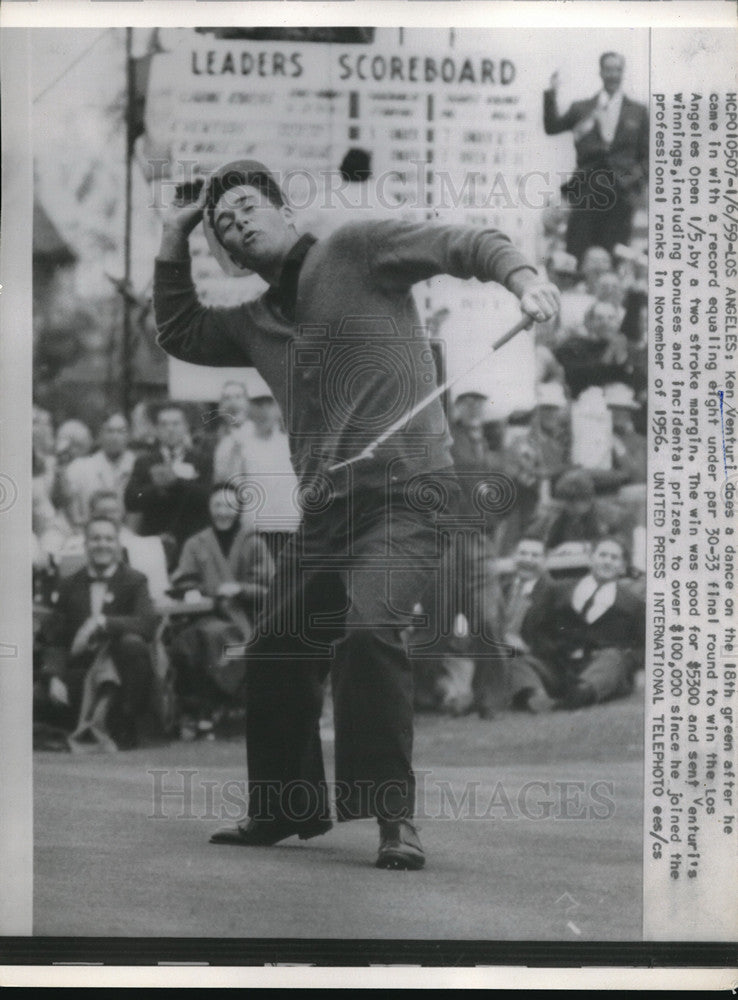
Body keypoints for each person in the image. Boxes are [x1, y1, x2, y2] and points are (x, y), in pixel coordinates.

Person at [152, 158, 559, 869]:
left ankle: (393, 819)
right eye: (222, 226)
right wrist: (172, 236)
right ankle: (282, 808)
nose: (236, 225)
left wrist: (526, 279)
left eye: (246, 207)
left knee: (371, 631)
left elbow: (466, 243)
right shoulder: (250, 321)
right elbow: (179, 331)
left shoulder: (357, 246)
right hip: (326, 515)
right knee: (276, 643)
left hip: (409, 496)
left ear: (282, 211)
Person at [40, 515, 157, 750]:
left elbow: (146, 624)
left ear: (118, 545)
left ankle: (125, 723)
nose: (102, 544)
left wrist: (101, 621)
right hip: (82, 672)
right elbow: (55, 639)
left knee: (132, 644)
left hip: (120, 674)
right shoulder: (68, 585)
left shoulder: (135, 581)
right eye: (95, 539)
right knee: (37, 701)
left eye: (108, 539)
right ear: (85, 545)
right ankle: (85, 727)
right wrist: (53, 677)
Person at [169, 483, 275, 739]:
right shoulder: (196, 543)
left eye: (228, 505)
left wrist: (239, 589)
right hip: (203, 614)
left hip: (244, 617)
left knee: (205, 638)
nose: (222, 512)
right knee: (192, 639)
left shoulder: (253, 541)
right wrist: (202, 590)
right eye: (217, 505)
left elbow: (271, 586)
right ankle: (205, 710)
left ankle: (207, 712)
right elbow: (182, 580)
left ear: (238, 508)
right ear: (209, 508)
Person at [543, 52, 648, 261]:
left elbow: (646, 159)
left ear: (623, 73)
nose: (613, 75)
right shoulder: (581, 109)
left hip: (620, 194)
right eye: (608, 69)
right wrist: (551, 92)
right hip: (586, 191)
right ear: (600, 72)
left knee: (615, 255)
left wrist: (631, 183)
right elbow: (552, 127)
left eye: (617, 70)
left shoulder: (638, 112)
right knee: (578, 252)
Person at [520, 536, 645, 708]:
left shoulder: (633, 604)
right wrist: (550, 649)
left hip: (602, 668)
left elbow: (644, 648)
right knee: (520, 659)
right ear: (591, 558)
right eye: (602, 555)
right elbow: (534, 627)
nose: (607, 562)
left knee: (613, 658)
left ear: (623, 567)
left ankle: (582, 693)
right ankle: (530, 693)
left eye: (614, 558)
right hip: (559, 664)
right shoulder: (558, 589)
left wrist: (626, 660)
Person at [124, 403, 211, 569]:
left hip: (190, 540)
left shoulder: (201, 460)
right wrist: (155, 488)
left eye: (176, 424)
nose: (170, 429)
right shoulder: (145, 462)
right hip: (153, 540)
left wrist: (177, 483)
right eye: (164, 424)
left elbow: (208, 498)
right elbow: (131, 499)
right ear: (156, 429)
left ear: (186, 427)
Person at [497, 535, 559, 712]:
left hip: (537, 662)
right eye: (523, 553)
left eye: (535, 555)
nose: (528, 560)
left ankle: (535, 695)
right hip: (498, 654)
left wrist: (526, 647)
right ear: (513, 556)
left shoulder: (554, 592)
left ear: (545, 560)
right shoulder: (502, 588)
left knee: (515, 661)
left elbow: (559, 639)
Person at [61, 413, 136, 528]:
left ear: (129, 435)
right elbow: (73, 513)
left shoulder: (138, 465)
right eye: (110, 431)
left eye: (121, 431)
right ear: (100, 434)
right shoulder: (80, 468)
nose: (115, 437)